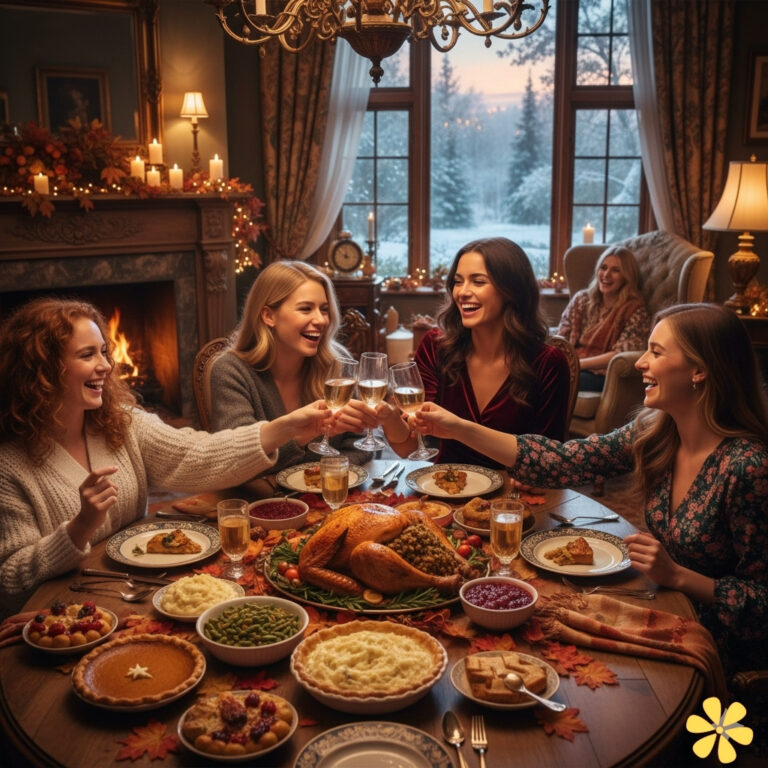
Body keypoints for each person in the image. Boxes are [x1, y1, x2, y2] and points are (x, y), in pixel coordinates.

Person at [411, 303, 768, 677]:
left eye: (657, 352)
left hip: (714, 652)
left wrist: (679, 576)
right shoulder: (655, 433)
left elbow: (760, 603)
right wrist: (457, 427)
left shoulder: (747, 467)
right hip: (659, 603)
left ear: (699, 370)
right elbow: (561, 460)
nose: (640, 363)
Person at [0, 298, 331, 606]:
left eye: (103, 352)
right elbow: (9, 578)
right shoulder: (9, 466)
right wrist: (80, 527)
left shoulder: (122, 424)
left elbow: (199, 454)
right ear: (41, 370)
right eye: (87, 355)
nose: (105, 366)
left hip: (137, 589)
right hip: (69, 610)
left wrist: (285, 427)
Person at [346, 238, 570, 467]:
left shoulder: (548, 362)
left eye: (478, 282)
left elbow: (549, 462)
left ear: (511, 290)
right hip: (446, 491)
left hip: (515, 498)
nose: (462, 292)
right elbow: (410, 448)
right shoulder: (436, 347)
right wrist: (390, 418)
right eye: (458, 281)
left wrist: (459, 428)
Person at [208, 260, 364, 474]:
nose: (320, 320)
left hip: (332, 498)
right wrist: (296, 439)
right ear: (268, 316)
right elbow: (240, 462)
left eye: (325, 309)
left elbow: (362, 442)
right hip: (258, 503)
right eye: (305, 309)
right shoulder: (231, 371)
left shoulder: (336, 364)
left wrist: (326, 476)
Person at [557, 245, 650, 391]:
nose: (606, 274)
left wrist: (577, 365)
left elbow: (620, 354)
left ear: (627, 276)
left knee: (555, 379)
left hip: (602, 374)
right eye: (603, 267)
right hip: (571, 364)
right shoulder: (581, 299)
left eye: (615, 270)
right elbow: (562, 336)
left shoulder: (635, 310)